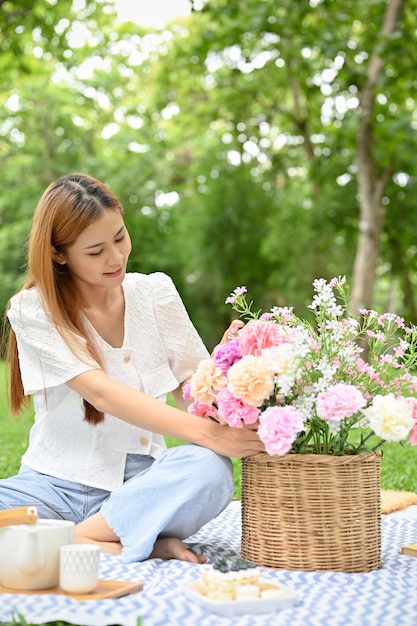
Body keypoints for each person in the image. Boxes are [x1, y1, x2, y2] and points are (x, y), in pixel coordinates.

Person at [0, 173, 264, 563]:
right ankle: (135, 539)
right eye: (95, 251)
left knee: (208, 470)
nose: (116, 257)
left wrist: (221, 372)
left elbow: (191, 391)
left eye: (120, 237)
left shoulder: (155, 291)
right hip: (52, 486)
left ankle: (68, 539)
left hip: (141, 486)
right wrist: (209, 434)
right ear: (59, 253)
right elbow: (101, 393)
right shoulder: (33, 308)